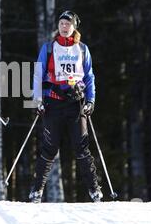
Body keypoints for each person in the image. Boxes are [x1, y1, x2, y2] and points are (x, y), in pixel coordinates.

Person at [29, 10, 102, 203]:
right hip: (53, 103)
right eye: (61, 23)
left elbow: (89, 77)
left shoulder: (83, 49)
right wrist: (36, 100)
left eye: (68, 24)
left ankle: (95, 191)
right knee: (49, 148)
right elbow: (38, 74)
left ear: (74, 27)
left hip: (76, 104)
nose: (64, 27)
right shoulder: (49, 48)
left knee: (81, 147)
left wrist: (90, 100)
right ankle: (36, 191)